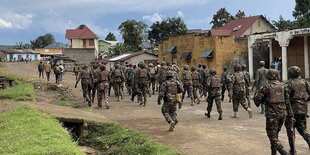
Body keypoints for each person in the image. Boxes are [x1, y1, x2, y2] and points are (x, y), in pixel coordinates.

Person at [254, 69, 293, 155]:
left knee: (272, 136)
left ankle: (284, 153)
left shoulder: (266, 86)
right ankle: (273, 153)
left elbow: (257, 100)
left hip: (272, 115)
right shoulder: (283, 86)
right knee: (275, 135)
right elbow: (287, 101)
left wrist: (262, 98)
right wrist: (290, 115)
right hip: (283, 114)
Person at [285, 66, 310, 154]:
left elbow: (286, 99)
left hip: (292, 111)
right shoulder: (304, 82)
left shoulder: (288, 84)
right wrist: (306, 100)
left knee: (291, 130)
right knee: (303, 129)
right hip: (303, 110)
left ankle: (293, 150)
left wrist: (288, 112)